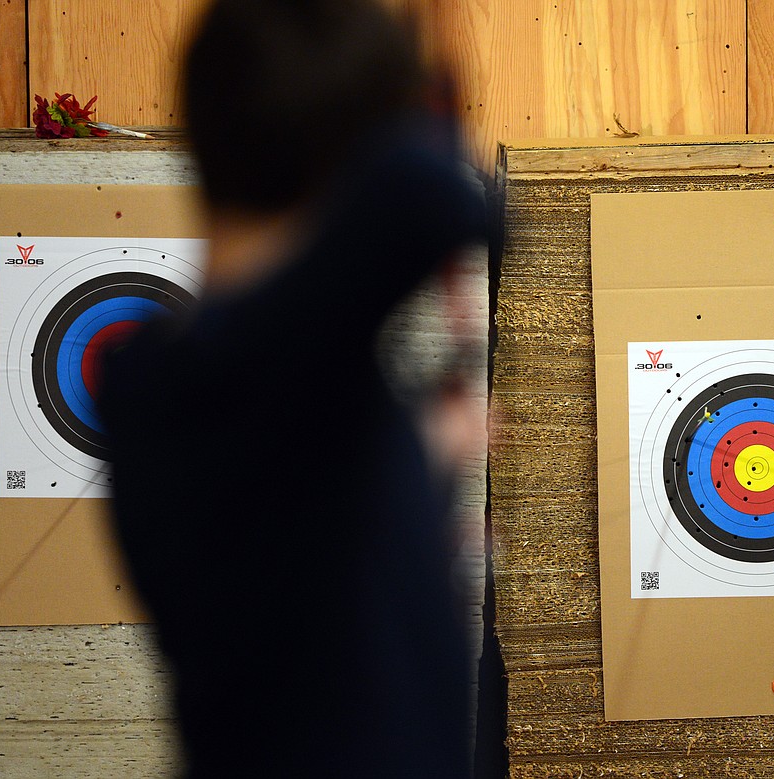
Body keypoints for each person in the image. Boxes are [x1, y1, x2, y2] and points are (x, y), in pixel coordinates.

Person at [98, 1, 487, 776]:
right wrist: (421, 116)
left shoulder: (171, 378)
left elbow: (298, 503)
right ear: (362, 168)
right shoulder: (241, 369)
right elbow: (441, 203)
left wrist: (418, 453)